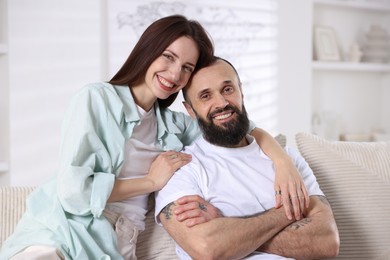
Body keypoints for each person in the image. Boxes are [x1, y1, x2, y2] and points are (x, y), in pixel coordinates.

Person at [1, 16, 307, 260]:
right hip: (60, 238)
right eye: (168, 57)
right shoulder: (96, 99)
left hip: (115, 247)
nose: (175, 73)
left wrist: (283, 161)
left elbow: (237, 123)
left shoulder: (175, 125)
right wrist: (150, 182)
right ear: (147, 50)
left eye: (186, 67)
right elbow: (73, 192)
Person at [155, 57, 340, 260]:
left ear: (241, 91)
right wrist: (294, 210)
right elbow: (207, 249)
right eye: (206, 96)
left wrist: (230, 231)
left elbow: (327, 242)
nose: (222, 103)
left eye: (227, 89)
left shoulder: (288, 160)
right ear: (190, 109)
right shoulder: (182, 168)